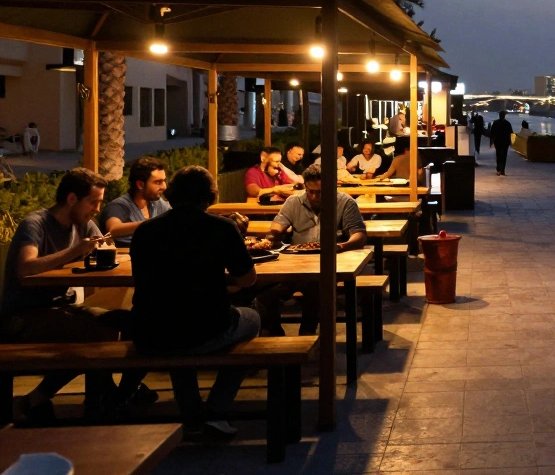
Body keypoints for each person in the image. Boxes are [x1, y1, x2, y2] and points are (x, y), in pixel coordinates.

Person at [130, 166, 259, 440]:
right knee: (252, 318)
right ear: (209, 196)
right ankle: (216, 410)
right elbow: (247, 279)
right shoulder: (222, 228)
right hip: (205, 328)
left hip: (148, 330)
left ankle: (191, 414)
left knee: (175, 322)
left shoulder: (146, 231)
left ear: (172, 195)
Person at [0, 168, 126, 422]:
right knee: (95, 335)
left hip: (62, 309)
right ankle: (90, 406)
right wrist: (76, 251)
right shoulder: (35, 223)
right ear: (71, 199)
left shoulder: (84, 224)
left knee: (120, 322)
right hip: (22, 314)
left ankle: (100, 401)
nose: (97, 209)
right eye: (93, 202)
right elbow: (25, 268)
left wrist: (104, 250)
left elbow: (97, 247)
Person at [257, 165, 367, 335]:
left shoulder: (345, 202)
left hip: (327, 265)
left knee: (315, 290)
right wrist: (272, 237)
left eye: (321, 191)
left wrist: (339, 247)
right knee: (266, 294)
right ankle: (275, 336)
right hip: (295, 264)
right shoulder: (294, 202)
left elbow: (359, 236)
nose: (315, 196)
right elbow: (276, 228)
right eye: (311, 191)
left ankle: (307, 335)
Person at [102, 157, 170, 248]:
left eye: (164, 181)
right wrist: (151, 224)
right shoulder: (118, 206)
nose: (164, 187)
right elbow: (113, 230)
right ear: (140, 185)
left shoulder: (158, 204)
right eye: (158, 182)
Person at [488, 111, 514, 176]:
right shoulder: (507, 123)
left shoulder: (495, 123)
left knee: (498, 155)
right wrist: (511, 142)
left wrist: (491, 142)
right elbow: (511, 133)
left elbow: (492, 133)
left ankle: (498, 169)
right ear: (504, 116)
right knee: (504, 156)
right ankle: (502, 170)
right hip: (505, 142)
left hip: (498, 141)